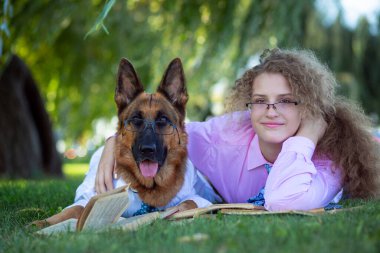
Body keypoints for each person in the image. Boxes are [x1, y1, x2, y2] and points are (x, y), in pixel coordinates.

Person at [95, 48, 380, 211]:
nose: (271, 111)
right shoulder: (225, 135)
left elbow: (283, 200)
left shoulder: (331, 158)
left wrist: (309, 134)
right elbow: (168, 131)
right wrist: (112, 141)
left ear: (307, 106)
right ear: (249, 106)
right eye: (260, 101)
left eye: (286, 101)